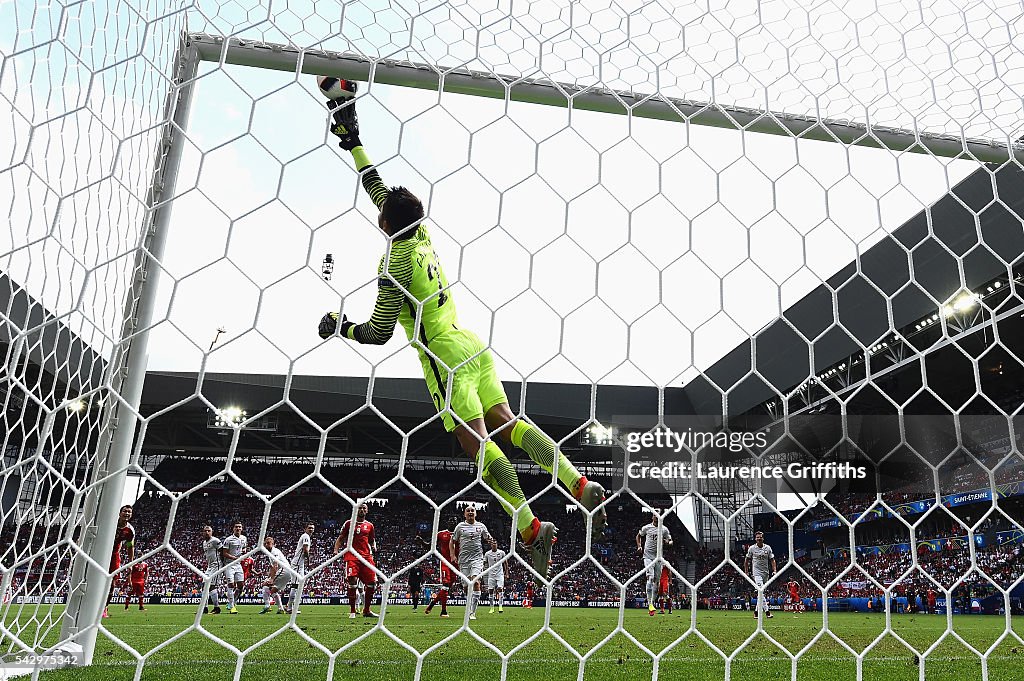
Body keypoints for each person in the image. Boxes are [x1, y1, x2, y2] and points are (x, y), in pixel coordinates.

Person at [317, 87, 608, 580]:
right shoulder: (421, 233)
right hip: (473, 343)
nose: (377, 209)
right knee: (508, 421)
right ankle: (577, 484)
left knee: (476, 444)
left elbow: (379, 333)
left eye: (381, 210)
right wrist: (354, 141)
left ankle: (530, 525)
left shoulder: (395, 265)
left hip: (444, 357)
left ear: (387, 222)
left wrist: (337, 326)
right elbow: (380, 188)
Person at [334, 503, 378, 619]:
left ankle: (367, 610)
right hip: (352, 555)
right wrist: (336, 550)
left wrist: (374, 546)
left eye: (364, 508)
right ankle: (353, 611)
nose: (362, 510)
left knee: (372, 583)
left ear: (367, 511)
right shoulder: (349, 523)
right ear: (356, 509)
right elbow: (341, 538)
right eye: (360, 507)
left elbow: (372, 540)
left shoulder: (370, 526)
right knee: (352, 581)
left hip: (366, 557)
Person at [452, 506, 491, 620]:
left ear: (476, 513)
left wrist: (492, 541)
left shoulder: (481, 526)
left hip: (477, 558)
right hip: (463, 560)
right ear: (464, 514)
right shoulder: (460, 527)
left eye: (472, 511)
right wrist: (452, 555)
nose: (470, 512)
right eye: (468, 511)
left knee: (475, 582)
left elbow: (488, 538)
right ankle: (469, 605)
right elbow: (452, 541)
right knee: (466, 586)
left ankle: (472, 612)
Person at [636, 512, 672, 616]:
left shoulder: (664, 530)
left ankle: (652, 603)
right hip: (648, 557)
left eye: (658, 514)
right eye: (655, 514)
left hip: (659, 558)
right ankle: (650, 605)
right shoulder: (646, 528)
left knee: (657, 582)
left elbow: (670, 541)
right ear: (652, 516)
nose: (656, 516)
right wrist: (639, 546)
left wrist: (667, 542)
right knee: (650, 578)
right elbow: (638, 536)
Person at [104, 504, 135, 618]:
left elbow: (129, 546)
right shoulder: (110, 523)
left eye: (129, 512)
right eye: (125, 511)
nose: (127, 513)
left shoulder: (129, 531)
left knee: (112, 584)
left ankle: (104, 608)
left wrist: (130, 563)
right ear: (119, 513)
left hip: (113, 556)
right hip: (101, 553)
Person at [420, 523, 457, 618]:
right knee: (445, 586)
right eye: (451, 520)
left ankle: (432, 603)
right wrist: (422, 542)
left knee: (447, 588)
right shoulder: (441, 534)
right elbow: (430, 546)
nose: (452, 522)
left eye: (455, 520)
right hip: (445, 562)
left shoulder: (460, 533)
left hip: (456, 563)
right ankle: (443, 611)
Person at [743, 531, 776, 619]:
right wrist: (746, 572)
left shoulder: (768, 548)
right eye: (757, 537)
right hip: (756, 573)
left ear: (763, 538)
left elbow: (772, 560)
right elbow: (746, 561)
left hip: (766, 573)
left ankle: (756, 612)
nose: (759, 538)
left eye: (760, 537)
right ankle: (767, 612)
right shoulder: (752, 548)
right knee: (760, 591)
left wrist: (774, 570)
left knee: (760, 594)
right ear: (755, 539)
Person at [287, 522, 315, 615]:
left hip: (299, 564)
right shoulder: (306, 536)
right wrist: (308, 560)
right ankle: (290, 608)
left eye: (312, 528)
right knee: (295, 586)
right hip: (297, 564)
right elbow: (305, 549)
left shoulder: (306, 536)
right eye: (309, 528)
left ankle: (290, 607)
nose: (311, 530)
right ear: (305, 529)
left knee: (298, 585)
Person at [222, 522, 248, 614]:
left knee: (240, 585)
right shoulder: (228, 540)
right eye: (236, 527)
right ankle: (232, 606)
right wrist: (234, 558)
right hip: (229, 564)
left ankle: (232, 602)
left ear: (242, 528)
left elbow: (244, 548)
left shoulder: (244, 538)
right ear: (233, 528)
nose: (238, 528)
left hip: (238, 565)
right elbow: (224, 553)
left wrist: (244, 551)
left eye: (240, 527)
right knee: (231, 585)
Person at [259, 536, 289, 614]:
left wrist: (271, 579)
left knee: (265, 585)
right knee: (272, 590)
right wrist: (269, 577)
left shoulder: (274, 551)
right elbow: (272, 567)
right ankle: (280, 609)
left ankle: (267, 606)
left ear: (273, 544)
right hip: (286, 572)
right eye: (266, 543)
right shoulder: (270, 553)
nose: (267, 545)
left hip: (284, 570)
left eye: (269, 543)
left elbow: (275, 565)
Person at [483, 537, 509, 614]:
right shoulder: (487, 554)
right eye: (493, 544)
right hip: (491, 575)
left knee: (500, 589)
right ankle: (492, 608)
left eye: (495, 543)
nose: (494, 545)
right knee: (490, 591)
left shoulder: (501, 553)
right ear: (491, 545)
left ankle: (500, 606)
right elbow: (484, 563)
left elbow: (505, 563)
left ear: (497, 545)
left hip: (499, 574)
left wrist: (506, 573)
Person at [201, 526, 223, 615]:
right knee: (204, 586)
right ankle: (204, 608)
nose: (207, 532)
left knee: (212, 586)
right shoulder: (204, 543)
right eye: (205, 531)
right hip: (210, 567)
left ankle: (217, 608)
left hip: (217, 566)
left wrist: (223, 565)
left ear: (212, 532)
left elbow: (222, 551)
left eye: (209, 531)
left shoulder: (215, 541)